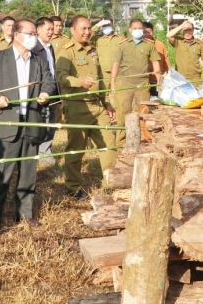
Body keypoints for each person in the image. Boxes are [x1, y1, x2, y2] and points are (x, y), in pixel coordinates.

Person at [0, 19, 55, 230]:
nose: (33, 38)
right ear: (17, 35)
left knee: (28, 175)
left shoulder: (39, 60)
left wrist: (46, 92)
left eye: (35, 34)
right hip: (5, 126)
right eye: (30, 33)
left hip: (31, 125)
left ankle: (25, 214)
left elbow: (49, 81)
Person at [55, 15, 117, 200]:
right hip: (77, 107)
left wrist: (106, 102)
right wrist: (79, 81)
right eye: (83, 28)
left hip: (97, 106)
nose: (87, 31)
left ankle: (110, 184)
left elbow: (100, 80)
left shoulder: (92, 50)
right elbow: (61, 76)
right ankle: (73, 187)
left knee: (109, 146)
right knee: (76, 149)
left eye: (89, 28)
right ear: (72, 30)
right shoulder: (67, 51)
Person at [110, 19, 161, 144]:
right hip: (125, 83)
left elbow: (156, 65)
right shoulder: (123, 45)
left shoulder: (149, 44)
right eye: (135, 28)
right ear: (130, 30)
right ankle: (122, 142)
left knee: (143, 113)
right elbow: (116, 63)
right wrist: (112, 81)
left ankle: (143, 140)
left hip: (143, 84)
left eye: (140, 28)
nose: (138, 31)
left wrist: (159, 82)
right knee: (123, 113)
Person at [32, 17, 58, 166]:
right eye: (48, 29)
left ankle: (45, 152)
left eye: (52, 29)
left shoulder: (50, 47)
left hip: (52, 91)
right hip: (41, 92)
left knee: (50, 123)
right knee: (42, 123)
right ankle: (42, 154)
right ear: (38, 30)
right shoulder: (35, 48)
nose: (51, 32)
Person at [166, 20, 203, 84]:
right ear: (182, 31)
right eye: (185, 30)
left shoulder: (199, 44)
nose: (187, 32)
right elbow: (168, 35)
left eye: (190, 30)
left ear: (193, 30)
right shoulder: (178, 42)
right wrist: (182, 26)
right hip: (180, 78)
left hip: (195, 78)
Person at [90, 19, 122, 84]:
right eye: (104, 26)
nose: (106, 27)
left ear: (112, 25)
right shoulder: (98, 39)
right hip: (104, 73)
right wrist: (97, 25)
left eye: (108, 25)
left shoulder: (120, 38)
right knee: (105, 93)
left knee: (118, 92)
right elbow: (88, 37)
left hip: (119, 71)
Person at [142, 22, 169, 98]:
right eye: (144, 32)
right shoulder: (138, 45)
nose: (147, 34)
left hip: (159, 79)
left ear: (152, 32)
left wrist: (166, 75)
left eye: (149, 32)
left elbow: (166, 62)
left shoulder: (160, 45)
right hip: (145, 81)